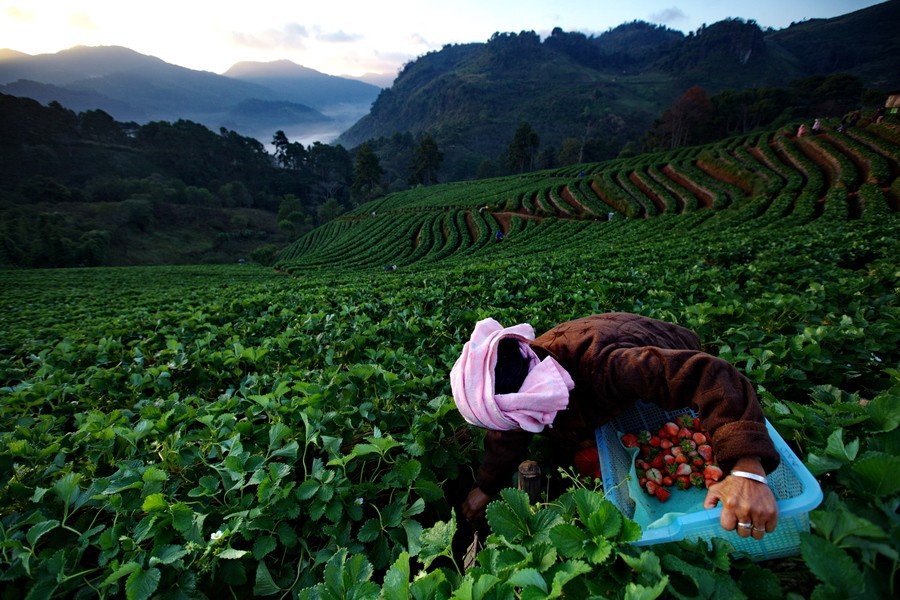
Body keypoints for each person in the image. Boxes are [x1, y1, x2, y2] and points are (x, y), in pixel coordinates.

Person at [450, 313, 780, 541]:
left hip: (672, 349)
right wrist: (487, 486)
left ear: (529, 399)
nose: (512, 427)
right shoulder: (526, 364)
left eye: (515, 421)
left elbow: (711, 376)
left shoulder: (608, 368)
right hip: (621, 339)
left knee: (651, 413)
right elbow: (506, 432)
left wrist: (746, 468)